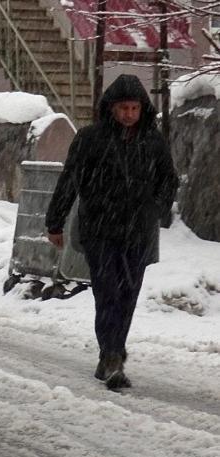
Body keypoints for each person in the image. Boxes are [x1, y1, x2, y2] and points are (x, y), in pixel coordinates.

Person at [45, 74, 178, 390]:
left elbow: (168, 181)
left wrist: (154, 210)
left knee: (127, 296)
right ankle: (112, 358)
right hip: (99, 230)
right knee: (108, 294)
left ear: (142, 109)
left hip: (137, 233)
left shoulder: (153, 142)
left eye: (134, 108)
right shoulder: (91, 139)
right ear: (111, 109)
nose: (129, 114)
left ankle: (111, 354)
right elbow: (70, 180)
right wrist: (55, 221)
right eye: (124, 108)